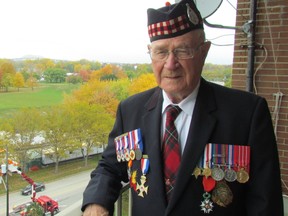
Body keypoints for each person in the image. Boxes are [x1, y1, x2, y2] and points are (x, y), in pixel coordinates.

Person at [82, 0, 284, 215]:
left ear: (204, 51)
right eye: (161, 52)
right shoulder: (130, 110)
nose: (170, 64)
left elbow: (265, 202)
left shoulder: (247, 113)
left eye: (182, 50)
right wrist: (97, 201)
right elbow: (110, 167)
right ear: (151, 54)